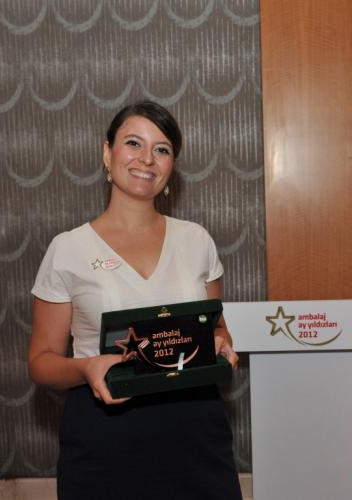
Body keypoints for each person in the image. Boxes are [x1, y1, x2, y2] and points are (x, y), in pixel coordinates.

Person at [28, 101, 243, 500]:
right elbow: (41, 362)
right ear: (106, 152)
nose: (147, 159)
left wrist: (222, 345)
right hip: (105, 428)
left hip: (196, 426)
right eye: (133, 143)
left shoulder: (197, 240)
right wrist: (87, 367)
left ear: (172, 165)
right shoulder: (68, 249)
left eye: (162, 149)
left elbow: (217, 328)